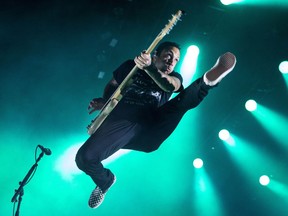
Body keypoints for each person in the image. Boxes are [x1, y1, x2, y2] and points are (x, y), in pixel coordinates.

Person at [75, 41, 236, 208]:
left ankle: (206, 83)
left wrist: (150, 68)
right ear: (155, 55)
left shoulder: (174, 78)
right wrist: (105, 102)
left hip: (152, 126)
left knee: (179, 104)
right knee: (83, 158)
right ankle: (105, 181)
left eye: (175, 60)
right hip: (124, 123)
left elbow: (169, 84)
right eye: (168, 56)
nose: (171, 62)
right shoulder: (131, 66)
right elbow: (113, 84)